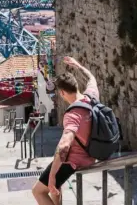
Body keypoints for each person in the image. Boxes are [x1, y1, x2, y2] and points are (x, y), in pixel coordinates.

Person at [32, 56, 99, 205]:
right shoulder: (91, 96)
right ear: (76, 86)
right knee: (57, 186)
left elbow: (64, 146)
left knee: (38, 191)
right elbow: (92, 78)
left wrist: (52, 177)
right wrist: (78, 65)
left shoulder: (72, 114)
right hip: (91, 154)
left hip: (75, 160)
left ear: (62, 93)